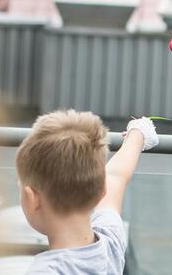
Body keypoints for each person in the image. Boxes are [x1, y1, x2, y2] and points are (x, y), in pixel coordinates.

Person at [16, 111, 159, 275]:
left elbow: (113, 178)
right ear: (101, 191)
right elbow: (115, 177)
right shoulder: (110, 243)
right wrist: (138, 133)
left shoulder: (44, 271)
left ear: (32, 199)